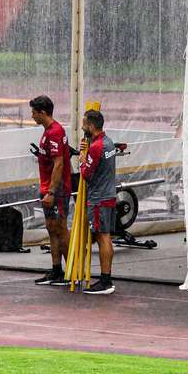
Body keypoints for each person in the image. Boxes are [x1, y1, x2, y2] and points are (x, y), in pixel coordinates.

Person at [29, 95, 73, 286]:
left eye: (34, 112)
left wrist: (52, 192)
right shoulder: (49, 131)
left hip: (56, 190)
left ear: (43, 113)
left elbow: (59, 163)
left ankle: (73, 270)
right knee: (52, 229)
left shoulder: (55, 132)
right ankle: (57, 270)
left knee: (61, 229)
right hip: (48, 186)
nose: (32, 116)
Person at [77, 108, 117, 295]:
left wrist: (82, 159)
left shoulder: (96, 147)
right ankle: (106, 278)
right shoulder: (108, 142)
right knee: (104, 236)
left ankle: (105, 280)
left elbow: (85, 173)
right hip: (108, 195)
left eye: (84, 124)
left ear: (91, 126)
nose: (82, 127)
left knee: (102, 237)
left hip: (98, 198)